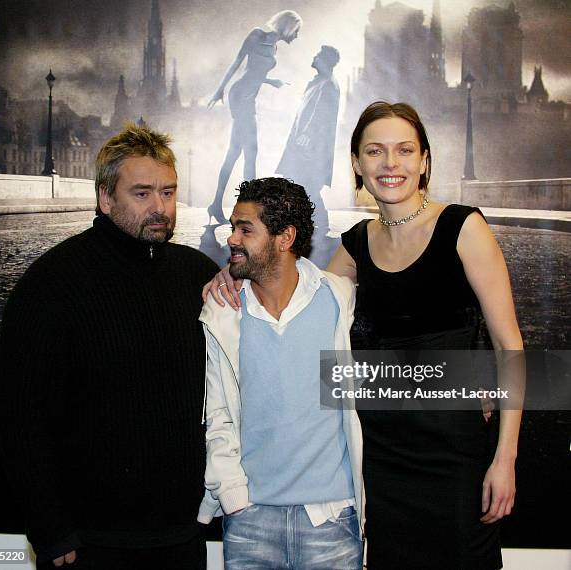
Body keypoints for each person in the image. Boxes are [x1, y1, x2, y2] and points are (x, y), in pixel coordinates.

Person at [204, 102, 523, 570]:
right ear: (357, 163)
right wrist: (231, 277)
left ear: (425, 161)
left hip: (454, 457)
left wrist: (506, 457)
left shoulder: (463, 228)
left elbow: (509, 346)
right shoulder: (355, 246)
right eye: (375, 151)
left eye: (404, 150)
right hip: (381, 462)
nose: (390, 164)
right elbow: (299, 294)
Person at [0, 123, 219, 569]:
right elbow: (17, 420)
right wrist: (52, 531)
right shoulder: (50, 283)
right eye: (142, 193)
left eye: (169, 193)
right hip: (89, 544)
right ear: (105, 197)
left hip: (182, 536)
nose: (160, 207)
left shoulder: (197, 274)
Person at [197, 177, 365, 569]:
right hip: (249, 522)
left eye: (245, 229)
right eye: (233, 227)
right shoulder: (224, 313)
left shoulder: (337, 299)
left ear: (285, 237)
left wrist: (478, 379)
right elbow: (217, 418)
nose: (232, 239)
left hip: (331, 520)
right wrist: (235, 500)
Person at [207, 10, 303, 224]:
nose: (297, 36)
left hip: (249, 99)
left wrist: (271, 82)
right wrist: (219, 90)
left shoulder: (274, 46)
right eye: (296, 31)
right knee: (251, 152)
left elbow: (257, 73)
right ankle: (247, 210)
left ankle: (217, 204)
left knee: (235, 153)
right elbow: (237, 63)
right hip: (240, 95)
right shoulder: (257, 35)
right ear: (288, 27)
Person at [276, 45, 341, 238]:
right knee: (300, 183)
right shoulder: (318, 82)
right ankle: (311, 222)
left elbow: (321, 115)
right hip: (303, 144)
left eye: (318, 54)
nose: (314, 56)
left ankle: (320, 222)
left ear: (326, 60)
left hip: (311, 148)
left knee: (307, 184)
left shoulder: (328, 84)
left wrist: (307, 134)